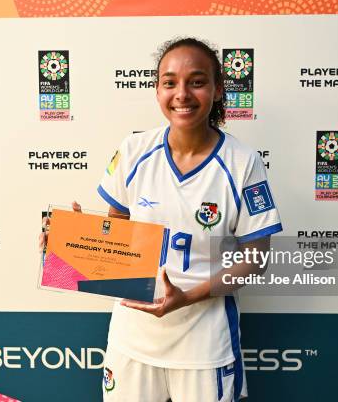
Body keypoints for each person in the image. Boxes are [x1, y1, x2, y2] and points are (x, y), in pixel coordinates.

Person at [92, 38, 281, 401]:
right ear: (157, 89)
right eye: (169, 82)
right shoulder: (133, 151)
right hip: (133, 337)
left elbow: (255, 259)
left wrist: (187, 296)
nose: (182, 93)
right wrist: (72, 239)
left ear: (217, 89)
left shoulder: (243, 163)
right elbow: (115, 234)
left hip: (203, 343)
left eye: (196, 81)